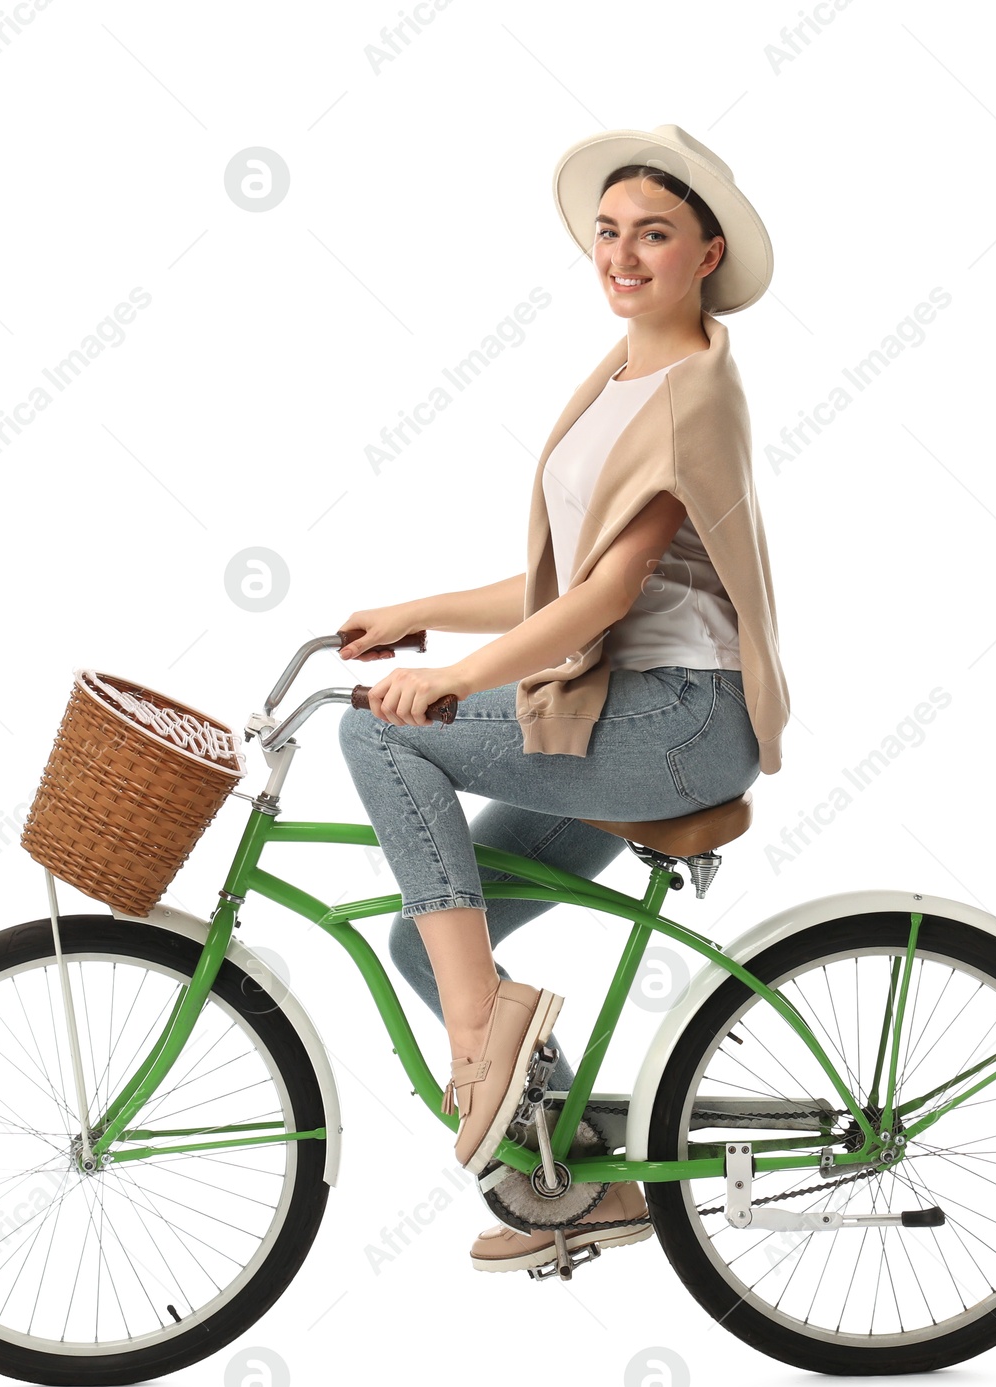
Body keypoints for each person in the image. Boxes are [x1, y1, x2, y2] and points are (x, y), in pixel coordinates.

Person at [335, 124, 790, 1272]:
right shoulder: (622, 376)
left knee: (378, 739)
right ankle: (584, 1179)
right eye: (607, 233)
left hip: (676, 720)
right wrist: (417, 613)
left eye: (652, 234)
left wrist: (447, 684)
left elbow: (603, 603)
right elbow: (558, 585)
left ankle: (488, 1036)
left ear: (705, 252)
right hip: (620, 712)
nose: (622, 255)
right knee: (422, 940)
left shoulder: (690, 394)